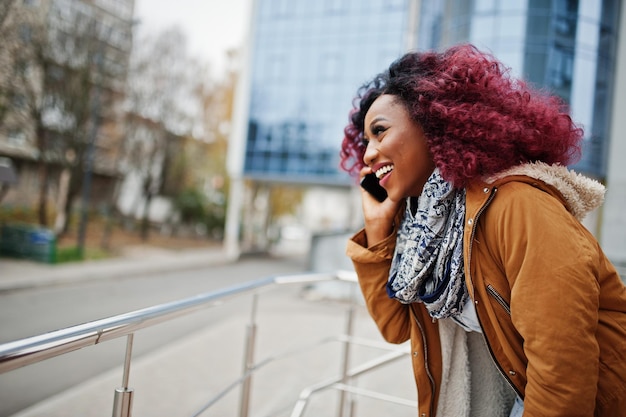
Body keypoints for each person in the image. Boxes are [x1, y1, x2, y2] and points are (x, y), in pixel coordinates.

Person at [340, 44, 626, 417]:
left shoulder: (519, 205)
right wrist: (378, 230)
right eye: (366, 142)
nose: (368, 154)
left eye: (380, 132)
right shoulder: (427, 232)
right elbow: (396, 325)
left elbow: (562, 371)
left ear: (433, 124)